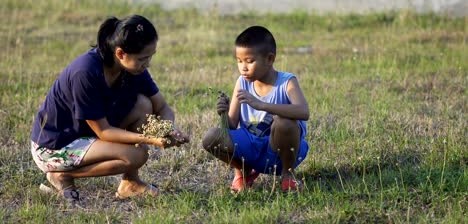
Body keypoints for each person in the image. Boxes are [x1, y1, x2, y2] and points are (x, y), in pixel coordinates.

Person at [30, 14, 189, 203]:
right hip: (55, 146)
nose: (147, 64)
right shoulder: (86, 72)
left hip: (88, 134)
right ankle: (61, 174)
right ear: (120, 53)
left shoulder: (133, 69)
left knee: (143, 104)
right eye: (143, 58)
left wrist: (167, 129)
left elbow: (162, 106)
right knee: (136, 155)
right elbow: (104, 131)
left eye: (150, 57)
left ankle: (130, 184)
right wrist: (150, 139)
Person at [202, 26, 309, 193]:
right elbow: (231, 125)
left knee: (284, 123)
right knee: (211, 137)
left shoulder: (287, 82)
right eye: (239, 60)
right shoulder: (242, 82)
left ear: (270, 59)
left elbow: (303, 112)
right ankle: (242, 172)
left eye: (249, 61)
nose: (243, 67)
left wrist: (261, 105)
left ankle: (287, 176)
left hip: (281, 150)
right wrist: (223, 114)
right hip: (251, 146)